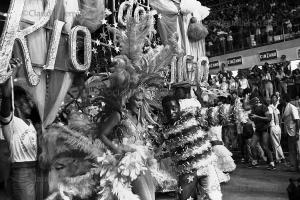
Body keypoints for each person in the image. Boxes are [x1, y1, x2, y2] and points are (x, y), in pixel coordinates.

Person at [161, 96, 222, 200]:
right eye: (167, 110)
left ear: (179, 107)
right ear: (163, 111)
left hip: (206, 166)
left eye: (174, 108)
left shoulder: (193, 115)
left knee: (214, 197)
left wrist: (240, 109)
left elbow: (216, 114)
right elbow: (152, 146)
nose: (171, 112)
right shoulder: (163, 129)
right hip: (186, 172)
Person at [99, 91, 156, 200]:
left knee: (151, 196)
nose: (140, 103)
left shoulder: (140, 116)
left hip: (143, 161)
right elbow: (102, 134)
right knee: (145, 197)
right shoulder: (119, 115)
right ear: (128, 99)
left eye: (142, 100)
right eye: (137, 100)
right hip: (127, 163)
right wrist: (116, 148)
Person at [0, 59, 40, 200]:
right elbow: (6, 97)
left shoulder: (30, 123)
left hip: (34, 170)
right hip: (21, 172)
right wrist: (11, 74)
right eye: (23, 101)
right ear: (15, 103)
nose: (28, 103)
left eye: (28, 100)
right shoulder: (11, 123)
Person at [248, 97, 275, 170]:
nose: (251, 106)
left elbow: (268, 119)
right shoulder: (254, 108)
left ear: (256, 102)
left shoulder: (264, 107)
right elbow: (253, 117)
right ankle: (255, 162)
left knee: (265, 147)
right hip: (258, 129)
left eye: (252, 104)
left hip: (265, 129)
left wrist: (257, 117)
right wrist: (251, 117)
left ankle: (272, 164)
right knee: (252, 145)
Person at [280, 95, 300, 172]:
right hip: (289, 131)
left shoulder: (292, 107)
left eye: (281, 98)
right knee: (292, 149)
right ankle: (293, 166)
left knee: (297, 149)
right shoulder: (284, 107)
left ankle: (296, 166)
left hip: (294, 131)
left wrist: (297, 132)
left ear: (284, 99)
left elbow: (297, 120)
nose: (280, 100)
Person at [268, 94, 286, 163]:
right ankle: (278, 158)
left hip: (274, 126)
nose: (274, 99)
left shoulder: (270, 108)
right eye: (273, 98)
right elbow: (280, 118)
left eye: (275, 98)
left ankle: (282, 157)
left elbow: (270, 118)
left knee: (275, 143)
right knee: (277, 143)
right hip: (277, 126)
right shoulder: (276, 109)